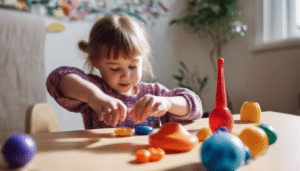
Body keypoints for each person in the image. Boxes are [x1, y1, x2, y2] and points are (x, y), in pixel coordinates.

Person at [46, 14, 203, 129]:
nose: (126, 75)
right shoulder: (96, 91)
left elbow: (195, 106)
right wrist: (93, 96)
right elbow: (57, 79)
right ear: (95, 62)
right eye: (114, 67)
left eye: (133, 66)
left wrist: (168, 103)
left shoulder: (153, 93)